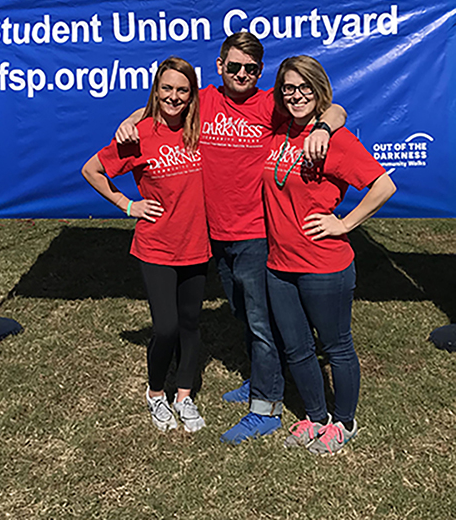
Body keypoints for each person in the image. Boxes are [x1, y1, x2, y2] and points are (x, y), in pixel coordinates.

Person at [116, 33, 347, 443]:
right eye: (235, 66)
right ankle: (261, 376)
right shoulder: (203, 101)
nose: (242, 74)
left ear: (260, 72)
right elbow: (167, 106)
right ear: (220, 66)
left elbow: (332, 108)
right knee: (242, 312)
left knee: (261, 323)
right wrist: (133, 119)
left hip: (257, 234)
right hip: (215, 234)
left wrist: (326, 127)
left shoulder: (269, 104)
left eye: (251, 69)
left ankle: (267, 406)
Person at [263, 56, 396, 455]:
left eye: (306, 88)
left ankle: (345, 422)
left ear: (319, 90)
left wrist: (344, 223)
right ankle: (316, 416)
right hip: (279, 264)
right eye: (289, 88)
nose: (296, 95)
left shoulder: (334, 140)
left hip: (324, 265)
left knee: (336, 346)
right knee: (297, 347)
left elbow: (382, 186)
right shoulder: (280, 129)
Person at [82, 57, 210, 434]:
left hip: (197, 244)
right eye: (166, 88)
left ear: (191, 96)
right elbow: (92, 170)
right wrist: (127, 204)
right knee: (166, 327)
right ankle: (156, 394)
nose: (173, 96)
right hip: (155, 245)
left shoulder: (200, 130)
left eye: (182, 90)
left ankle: (184, 397)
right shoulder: (138, 134)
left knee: (190, 324)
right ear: (156, 90)